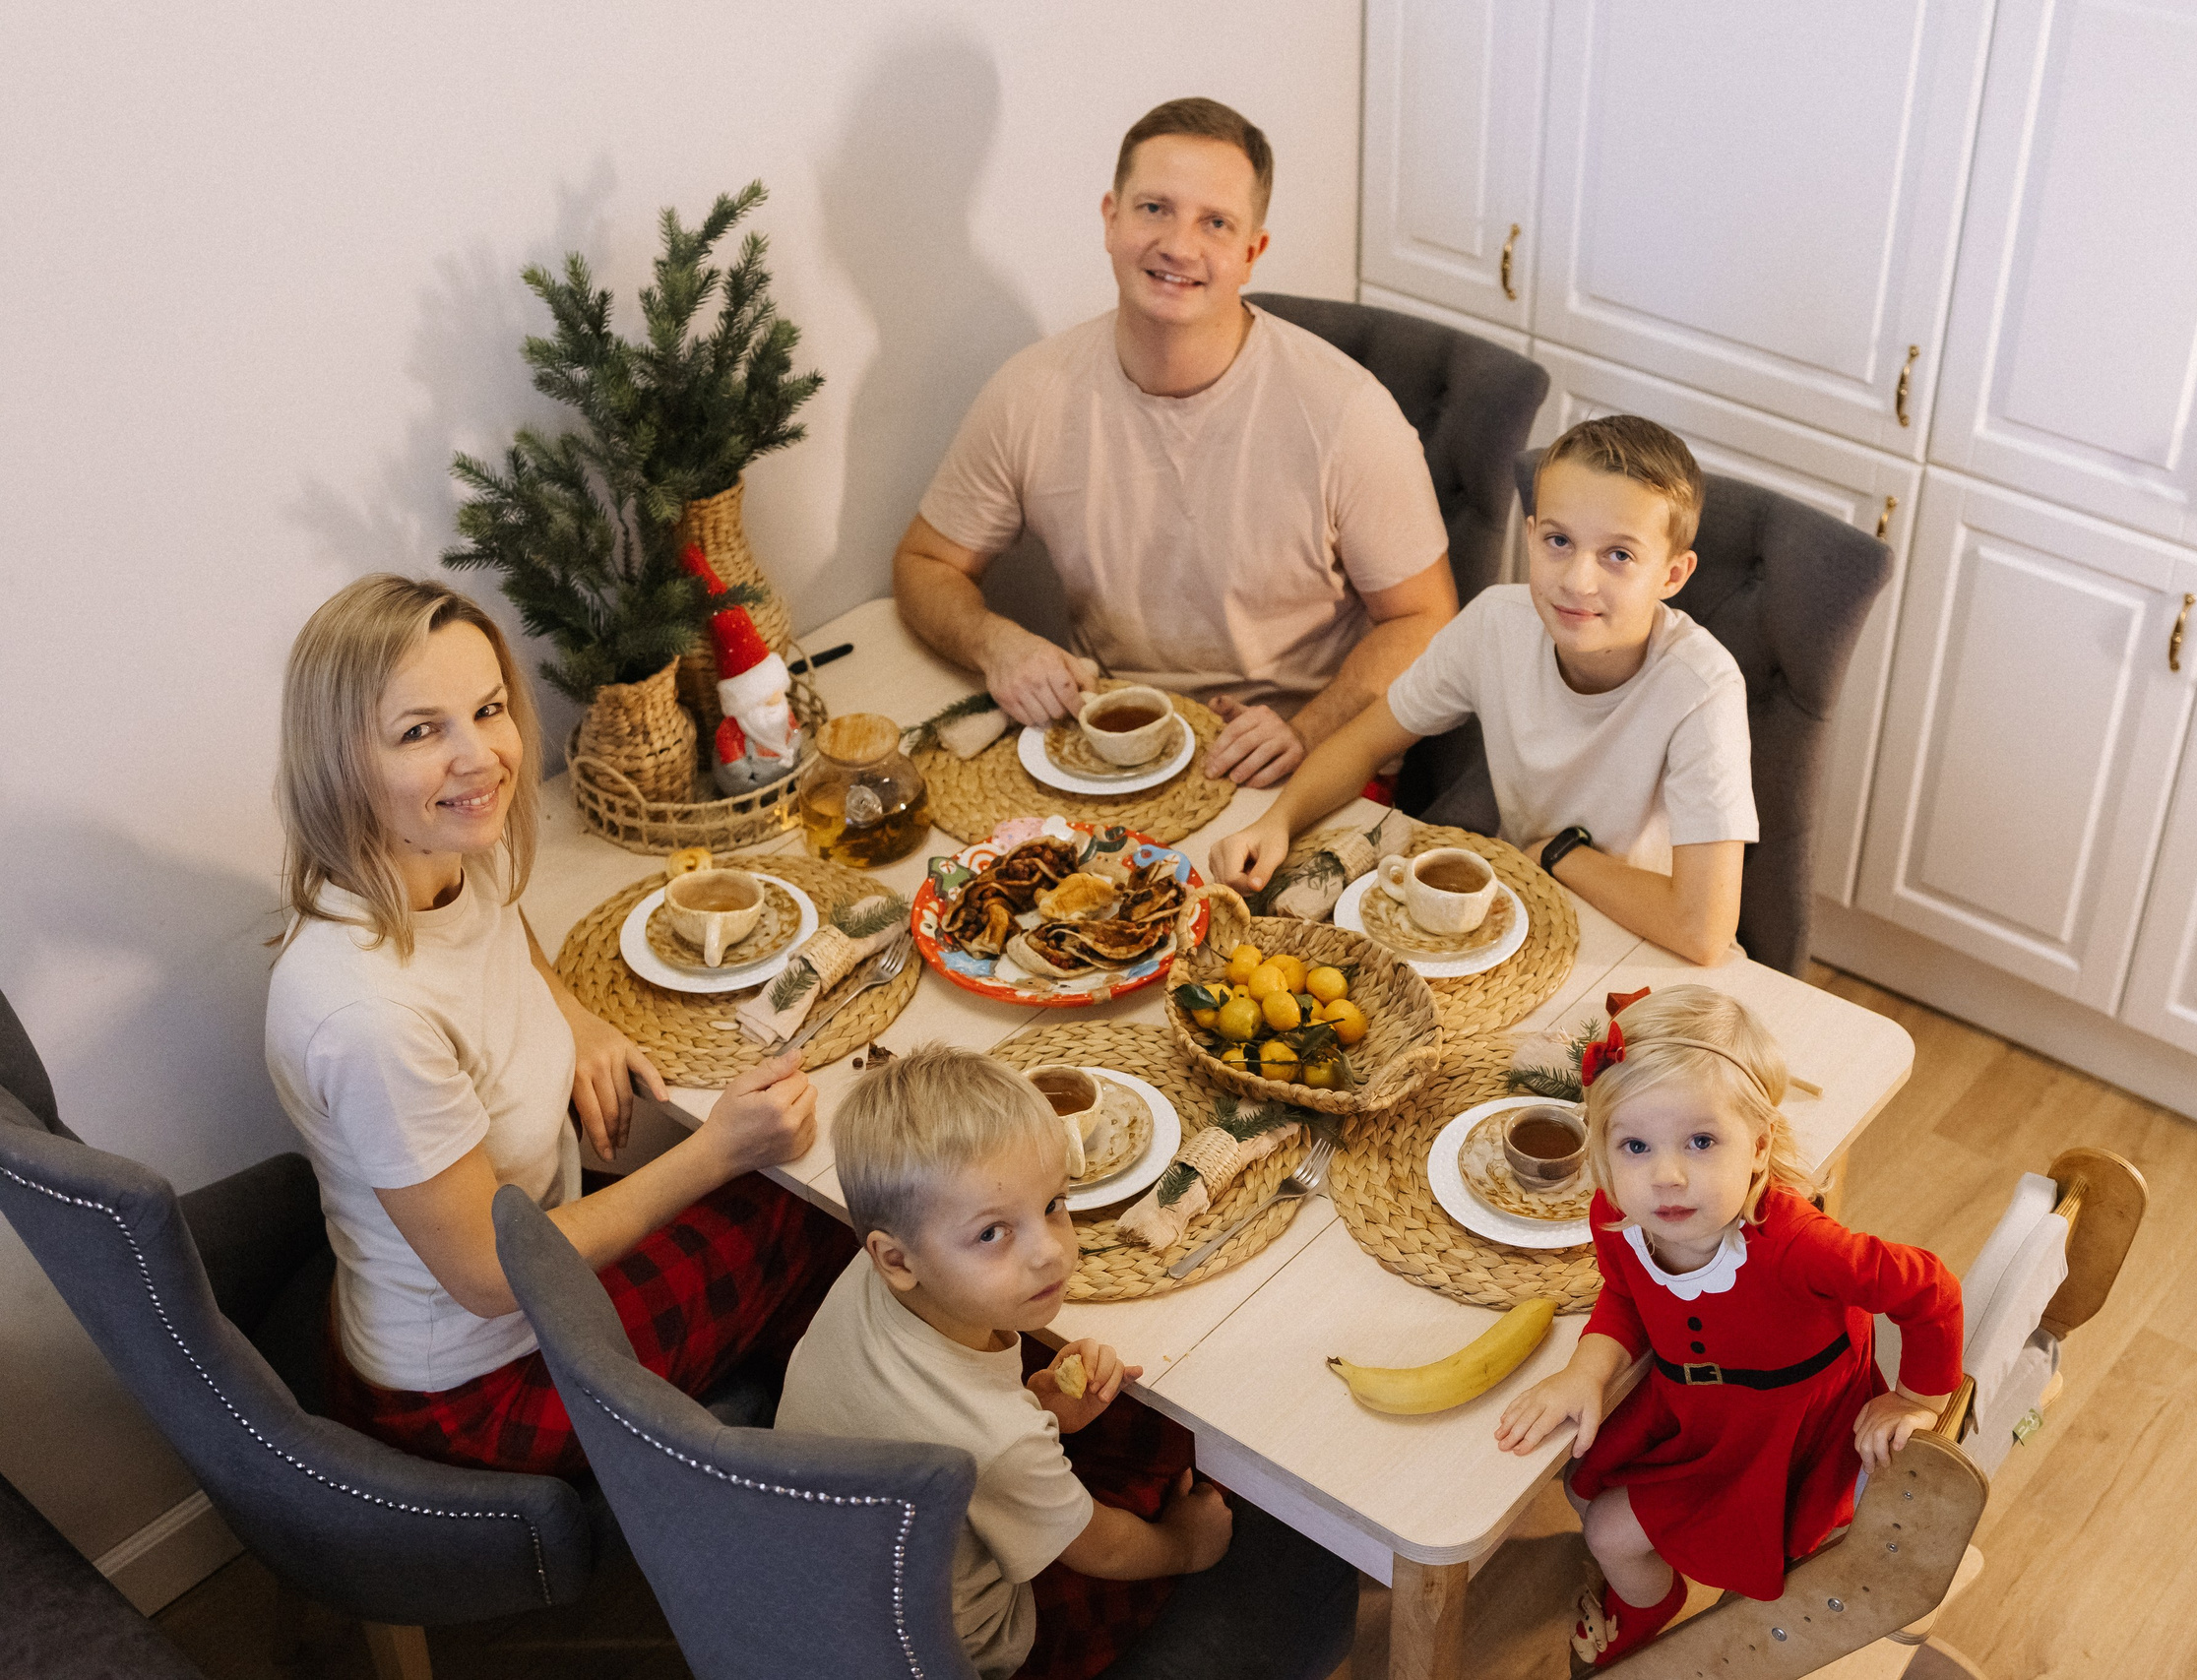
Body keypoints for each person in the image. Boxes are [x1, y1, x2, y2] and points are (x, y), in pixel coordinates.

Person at [264, 575, 852, 1474]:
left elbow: (504, 928)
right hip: (478, 1386)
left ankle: (777, 1420)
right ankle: (787, 1506)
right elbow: (496, 1278)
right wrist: (715, 1152)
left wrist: (572, 1015)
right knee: (819, 1211)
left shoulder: (440, 849)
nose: (482, 758)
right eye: (421, 731)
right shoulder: (369, 1019)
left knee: (791, 1197)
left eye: (488, 709)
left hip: (525, 1280)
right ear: (340, 759)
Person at [893, 95, 1456, 788]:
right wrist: (995, 642)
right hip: (1112, 741)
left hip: (1297, 756)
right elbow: (923, 562)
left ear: (1252, 252)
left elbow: (1427, 619)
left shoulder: (1348, 412)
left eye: (1215, 223)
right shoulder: (1029, 391)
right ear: (1110, 219)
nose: (1179, 245)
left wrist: (1306, 728)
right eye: (1154, 208)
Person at [778, 1045, 1353, 1680]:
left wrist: (1036, 1399)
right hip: (961, 1648)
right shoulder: (997, 1439)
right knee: (1259, 1502)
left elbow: (937, 1407)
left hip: (823, 1586)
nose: (1049, 1253)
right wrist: (1185, 1546)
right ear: (898, 1259)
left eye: (1052, 1204)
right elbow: (1099, 1547)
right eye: (992, 1234)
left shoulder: (880, 1271)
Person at [1492, 987, 1963, 1671]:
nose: (1668, 1175)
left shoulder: (1800, 1245)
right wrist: (1586, 1371)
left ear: (1758, 1145)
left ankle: (1651, 1605)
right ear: (1604, 1148)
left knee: (1609, 1531)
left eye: (1702, 1141)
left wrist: (1918, 1395)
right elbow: (1626, 1297)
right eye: (1635, 1144)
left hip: (1781, 1431)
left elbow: (1931, 1287)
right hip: (1693, 1403)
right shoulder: (1618, 1217)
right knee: (1578, 1476)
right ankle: (1648, 1573)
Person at [1212, 414, 1756, 964]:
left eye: (1619, 555)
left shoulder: (1702, 689)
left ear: (1672, 575)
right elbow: (1367, 742)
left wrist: (1559, 854)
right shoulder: (1496, 622)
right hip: (1525, 911)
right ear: (1530, 536)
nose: (1577, 581)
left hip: (1643, 944)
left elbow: (1703, 932)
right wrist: (1274, 823)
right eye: (1559, 541)